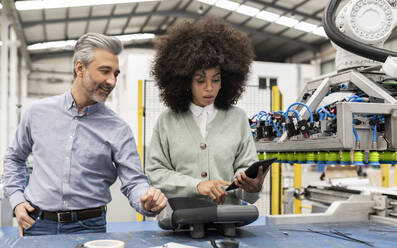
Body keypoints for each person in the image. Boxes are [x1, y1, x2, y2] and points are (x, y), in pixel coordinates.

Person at [2, 33, 167, 236]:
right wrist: (17, 201)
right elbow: (14, 159)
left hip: (90, 227)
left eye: (115, 73)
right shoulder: (37, 113)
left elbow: (134, 182)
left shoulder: (118, 128)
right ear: (80, 68)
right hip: (37, 224)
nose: (112, 81)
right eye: (105, 71)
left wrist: (147, 200)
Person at [146, 17, 268, 207]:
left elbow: (245, 171)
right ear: (185, 80)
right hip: (181, 222)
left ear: (226, 80)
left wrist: (251, 187)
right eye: (200, 80)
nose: (209, 88)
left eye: (216, 80)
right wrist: (197, 186)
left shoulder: (238, 118)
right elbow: (156, 173)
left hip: (227, 222)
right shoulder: (167, 121)